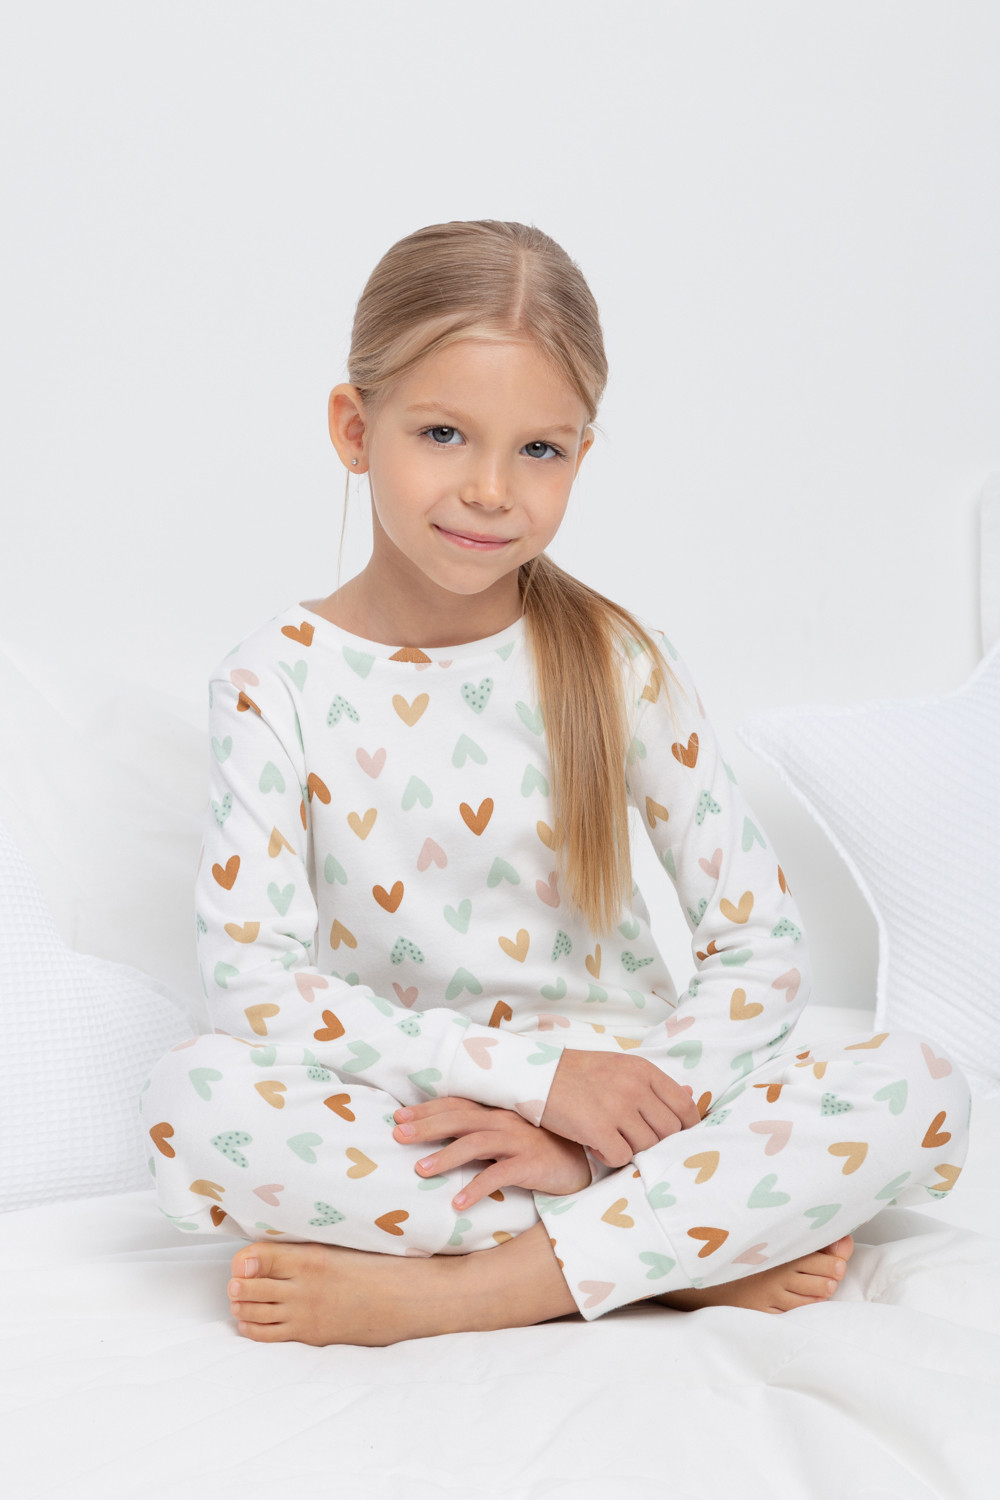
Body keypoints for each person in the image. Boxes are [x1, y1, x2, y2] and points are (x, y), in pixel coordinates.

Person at [142, 219, 970, 1347]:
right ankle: (678, 1251)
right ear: (355, 428)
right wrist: (534, 1084)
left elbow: (761, 945)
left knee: (918, 1081)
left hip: (635, 1106)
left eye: (540, 449)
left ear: (583, 452)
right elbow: (254, 986)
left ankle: (482, 1289)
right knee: (192, 1101)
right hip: (422, 1108)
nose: (491, 489)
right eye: (443, 433)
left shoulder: (620, 661)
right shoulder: (271, 681)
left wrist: (593, 1130)